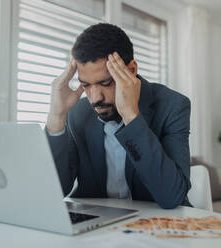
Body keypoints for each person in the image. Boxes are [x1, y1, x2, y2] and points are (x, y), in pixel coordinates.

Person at [45, 23, 191, 209]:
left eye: (106, 83)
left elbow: (172, 197)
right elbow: (54, 191)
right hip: (97, 226)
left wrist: (131, 116)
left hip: (156, 224)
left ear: (130, 71)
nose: (95, 98)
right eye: (86, 85)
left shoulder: (172, 106)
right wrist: (57, 118)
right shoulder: (78, 113)